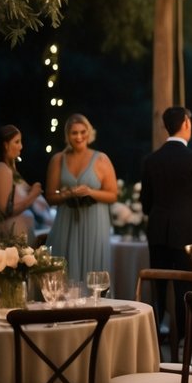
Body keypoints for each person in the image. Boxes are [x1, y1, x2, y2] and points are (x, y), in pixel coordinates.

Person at [141, 106, 192, 339]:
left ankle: (155, 339)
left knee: (159, 287)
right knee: (188, 288)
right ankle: (188, 342)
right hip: (188, 232)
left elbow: (145, 204)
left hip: (158, 231)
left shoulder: (151, 160)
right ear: (186, 123)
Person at [46, 113, 118, 282]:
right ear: (67, 136)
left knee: (93, 271)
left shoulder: (101, 159)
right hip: (66, 221)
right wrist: (68, 194)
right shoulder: (58, 159)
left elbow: (113, 195)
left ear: (89, 132)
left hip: (95, 221)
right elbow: (50, 196)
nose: (79, 137)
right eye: (74, 133)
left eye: (82, 132)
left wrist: (90, 192)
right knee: (63, 268)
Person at [0, 124, 45, 242]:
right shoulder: (2, 169)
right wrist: (32, 196)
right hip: (10, 232)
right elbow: (4, 210)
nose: (21, 147)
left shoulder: (5, 168)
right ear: (5, 145)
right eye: (16, 142)